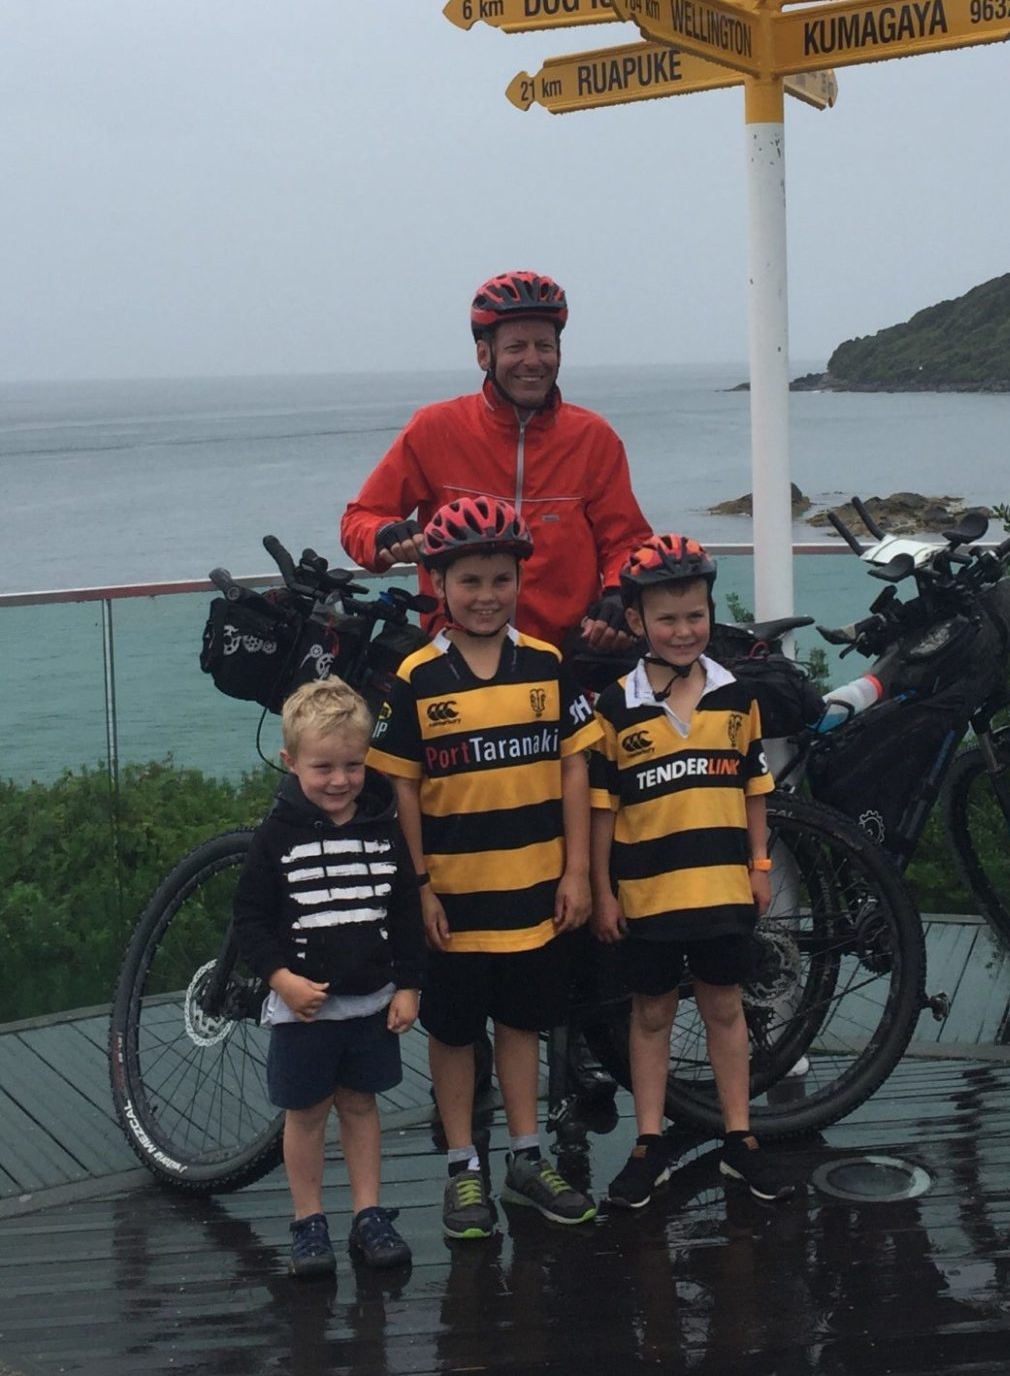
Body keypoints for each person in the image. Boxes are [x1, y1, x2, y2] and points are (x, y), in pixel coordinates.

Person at [365, 493, 602, 1240]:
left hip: (535, 888)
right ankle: (464, 1166)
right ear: (437, 583)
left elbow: (574, 769)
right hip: (454, 898)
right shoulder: (415, 677)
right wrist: (419, 886)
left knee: (523, 1024)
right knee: (455, 1030)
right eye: (468, 580)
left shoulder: (547, 664)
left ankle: (527, 1159)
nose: (485, 595)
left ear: (520, 581)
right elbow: (402, 786)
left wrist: (577, 873)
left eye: (501, 578)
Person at [590, 534, 795, 1208]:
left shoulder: (738, 697)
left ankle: (740, 1138)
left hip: (721, 887)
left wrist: (760, 866)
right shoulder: (615, 707)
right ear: (637, 622)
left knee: (725, 1008)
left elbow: (754, 787)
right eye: (668, 618)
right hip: (648, 891)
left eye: (696, 615)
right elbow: (602, 810)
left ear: (711, 613)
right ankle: (649, 1142)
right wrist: (601, 890)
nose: (683, 630)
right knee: (649, 1014)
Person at [340, 270, 651, 655]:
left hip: (564, 660)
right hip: (455, 656)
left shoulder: (593, 437)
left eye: (545, 346)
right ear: (484, 354)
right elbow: (359, 520)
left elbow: (626, 541)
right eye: (516, 347)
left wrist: (619, 594)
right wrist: (385, 536)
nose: (533, 361)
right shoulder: (434, 429)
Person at [232, 677, 425, 1279]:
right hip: (304, 1009)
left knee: (362, 1106)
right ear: (291, 764)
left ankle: (369, 1212)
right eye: (322, 768)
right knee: (307, 1112)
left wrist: (411, 985)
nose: (339, 780)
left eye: (352, 765)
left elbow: (404, 912)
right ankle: (307, 1219)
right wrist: (279, 978)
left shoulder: (382, 830)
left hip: (370, 1003)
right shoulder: (275, 837)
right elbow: (250, 919)